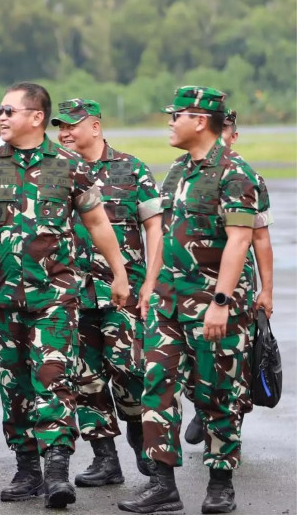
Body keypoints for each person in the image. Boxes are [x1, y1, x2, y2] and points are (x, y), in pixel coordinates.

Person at [0, 82, 130, 509]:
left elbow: (100, 225)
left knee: (53, 380)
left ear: (36, 117)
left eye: (9, 110)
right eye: (0, 110)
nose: (1, 117)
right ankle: (26, 468)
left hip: (55, 296)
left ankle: (57, 471)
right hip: (3, 296)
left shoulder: (70, 166)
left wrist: (119, 272)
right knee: (12, 384)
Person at [117, 87, 262, 514]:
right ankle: (163, 483)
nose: (169, 122)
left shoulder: (236, 173)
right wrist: (150, 284)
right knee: (156, 387)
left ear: (200, 120)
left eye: (175, 115)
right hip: (168, 302)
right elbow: (164, 232)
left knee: (218, 391)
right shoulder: (178, 170)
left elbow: (239, 242)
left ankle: (220, 483)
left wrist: (220, 301)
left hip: (214, 303)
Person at [52, 99, 162, 485]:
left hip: (123, 289)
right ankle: (105, 460)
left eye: (71, 125)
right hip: (73, 293)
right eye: (59, 127)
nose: (64, 133)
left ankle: (142, 448)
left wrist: (149, 281)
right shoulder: (57, 172)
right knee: (85, 378)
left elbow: (154, 227)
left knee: (130, 370)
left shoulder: (131, 169)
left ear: (95, 126)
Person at [183, 108, 274, 445]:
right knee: (191, 354)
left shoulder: (247, 178)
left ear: (232, 136)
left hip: (235, 286)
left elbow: (260, 239)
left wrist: (268, 290)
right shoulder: (184, 175)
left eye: (224, 135)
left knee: (229, 359)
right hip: (190, 283)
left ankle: (223, 430)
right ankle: (200, 406)